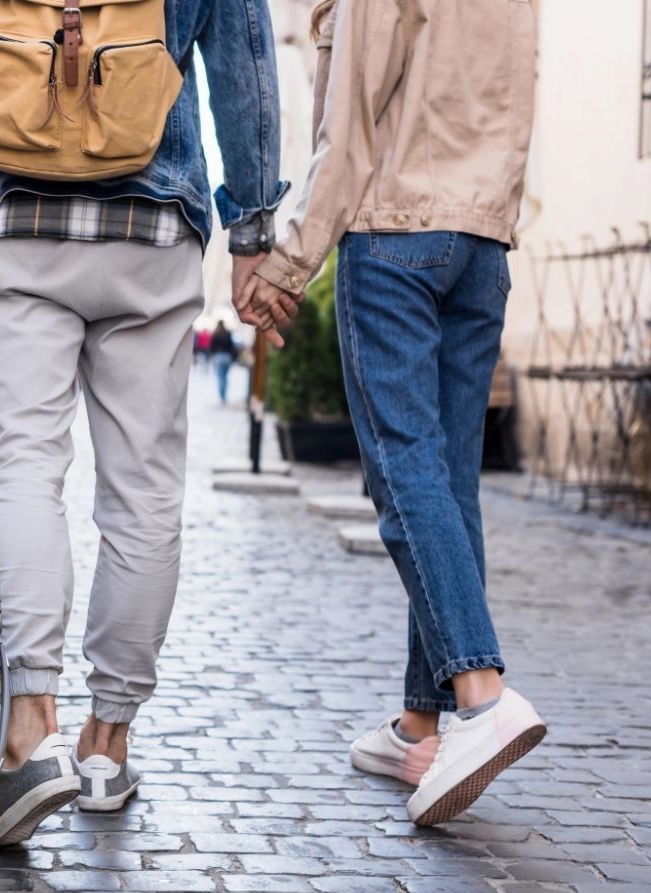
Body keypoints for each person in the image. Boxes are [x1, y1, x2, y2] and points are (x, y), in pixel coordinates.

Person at [0, 0, 287, 846]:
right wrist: (251, 230)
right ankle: (107, 744)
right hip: (153, 224)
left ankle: (31, 734)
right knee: (143, 489)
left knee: (24, 468)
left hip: (7, 219)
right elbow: (244, 54)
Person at [236, 0, 545, 826]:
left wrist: (290, 262)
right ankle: (420, 723)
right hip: (482, 244)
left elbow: (351, 130)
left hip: (397, 232)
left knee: (405, 472)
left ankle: (482, 696)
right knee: (447, 480)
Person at [208, 321, 238, 403]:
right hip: (227, 357)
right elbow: (231, 346)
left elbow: (212, 347)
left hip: (219, 357)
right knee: (225, 377)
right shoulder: (227, 334)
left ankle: (222, 395)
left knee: (220, 377)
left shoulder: (215, 334)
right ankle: (224, 395)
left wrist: (212, 356)